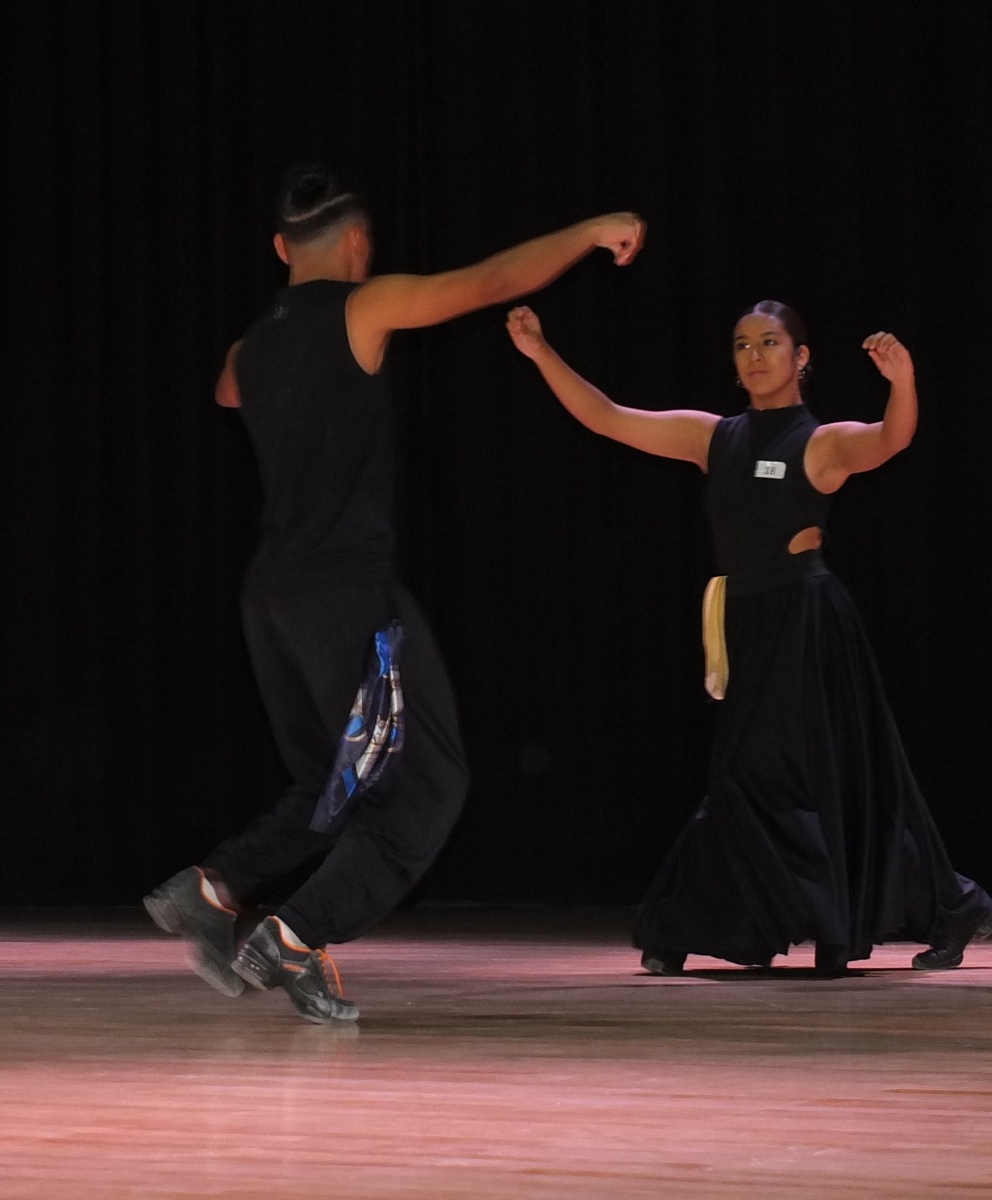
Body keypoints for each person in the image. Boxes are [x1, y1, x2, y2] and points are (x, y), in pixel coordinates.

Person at [144, 164, 644, 1022]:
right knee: (425, 785)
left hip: (272, 599)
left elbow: (226, 391)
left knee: (329, 782)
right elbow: (488, 282)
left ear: (280, 248)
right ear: (357, 244)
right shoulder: (362, 307)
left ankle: (215, 888)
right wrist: (590, 230)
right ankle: (293, 936)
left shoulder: (248, 349)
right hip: (345, 591)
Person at [504, 299, 992, 974]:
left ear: (801, 357)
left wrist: (903, 381)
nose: (755, 355)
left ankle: (701, 926)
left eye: (770, 342)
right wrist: (541, 353)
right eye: (743, 345)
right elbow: (607, 417)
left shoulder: (820, 443)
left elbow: (892, 438)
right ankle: (937, 908)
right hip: (746, 620)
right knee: (773, 776)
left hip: (807, 622)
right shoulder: (714, 437)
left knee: (780, 775)